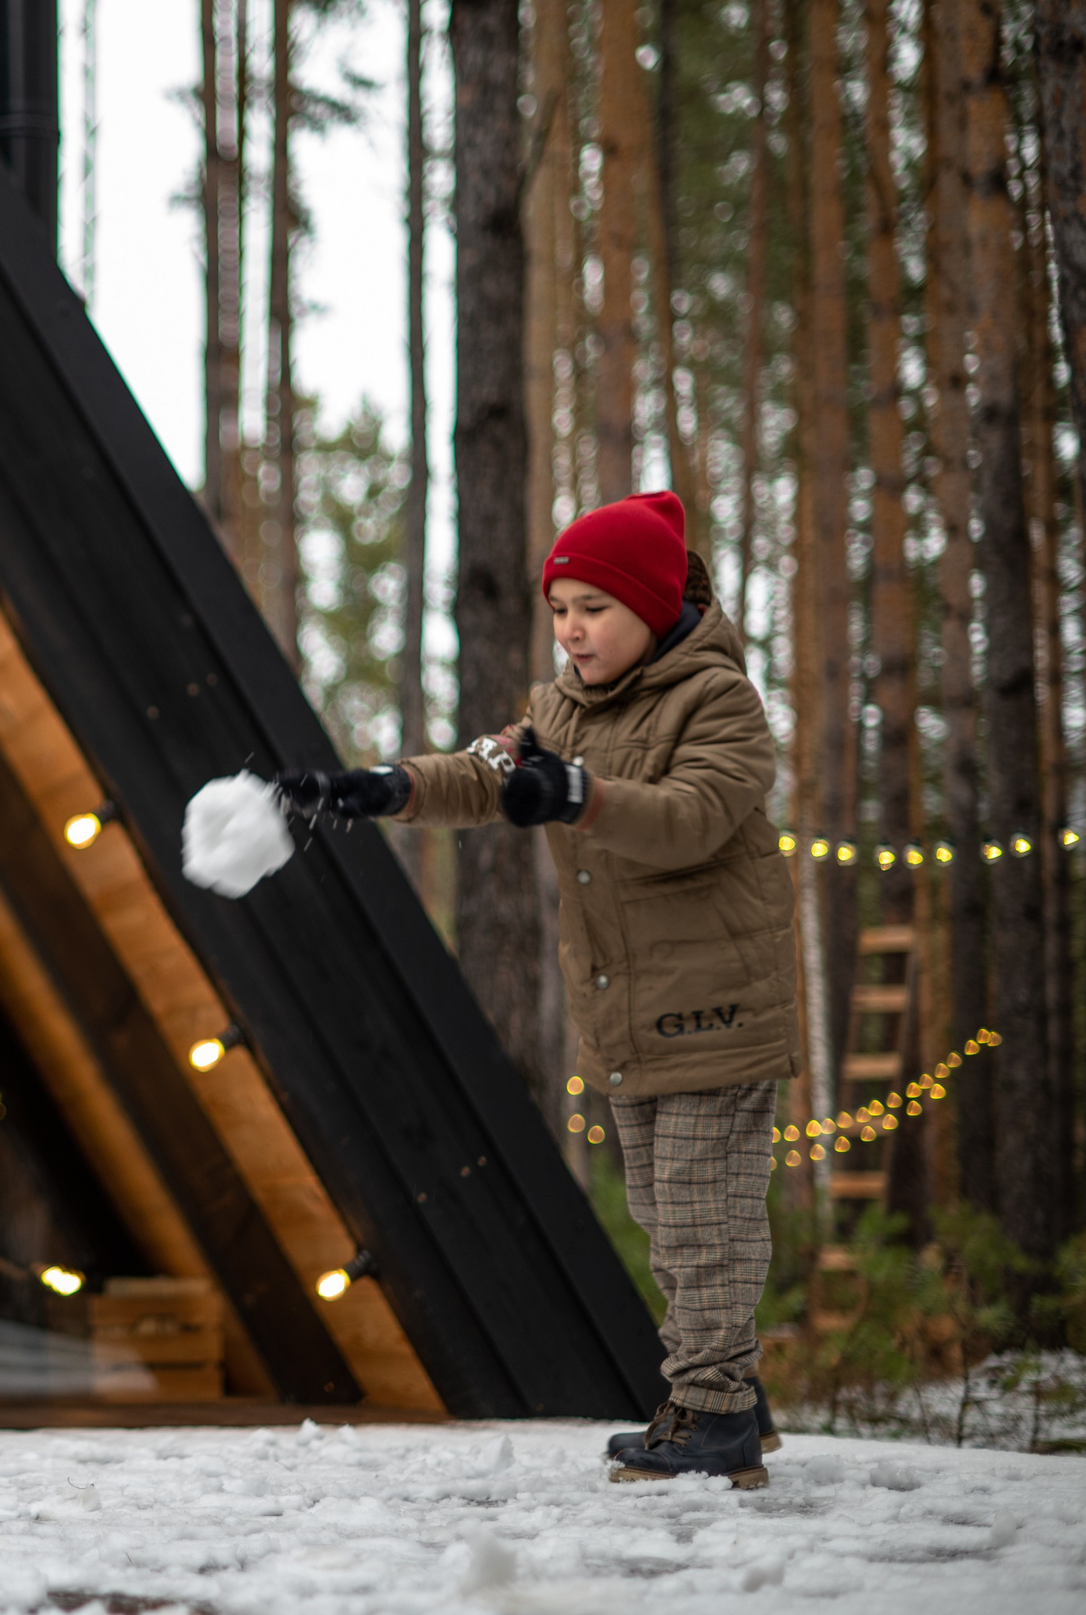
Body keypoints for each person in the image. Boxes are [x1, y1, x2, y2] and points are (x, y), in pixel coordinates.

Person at [291, 490, 795, 1489]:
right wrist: (383, 785)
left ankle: (718, 1417)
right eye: (558, 607)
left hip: (719, 1004)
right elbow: (485, 772)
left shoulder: (717, 701)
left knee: (705, 1211)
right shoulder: (560, 706)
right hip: (627, 1008)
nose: (570, 628)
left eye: (593, 607)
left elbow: (691, 815)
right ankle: (725, 1385)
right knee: (663, 1208)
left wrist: (580, 794)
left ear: (651, 608)